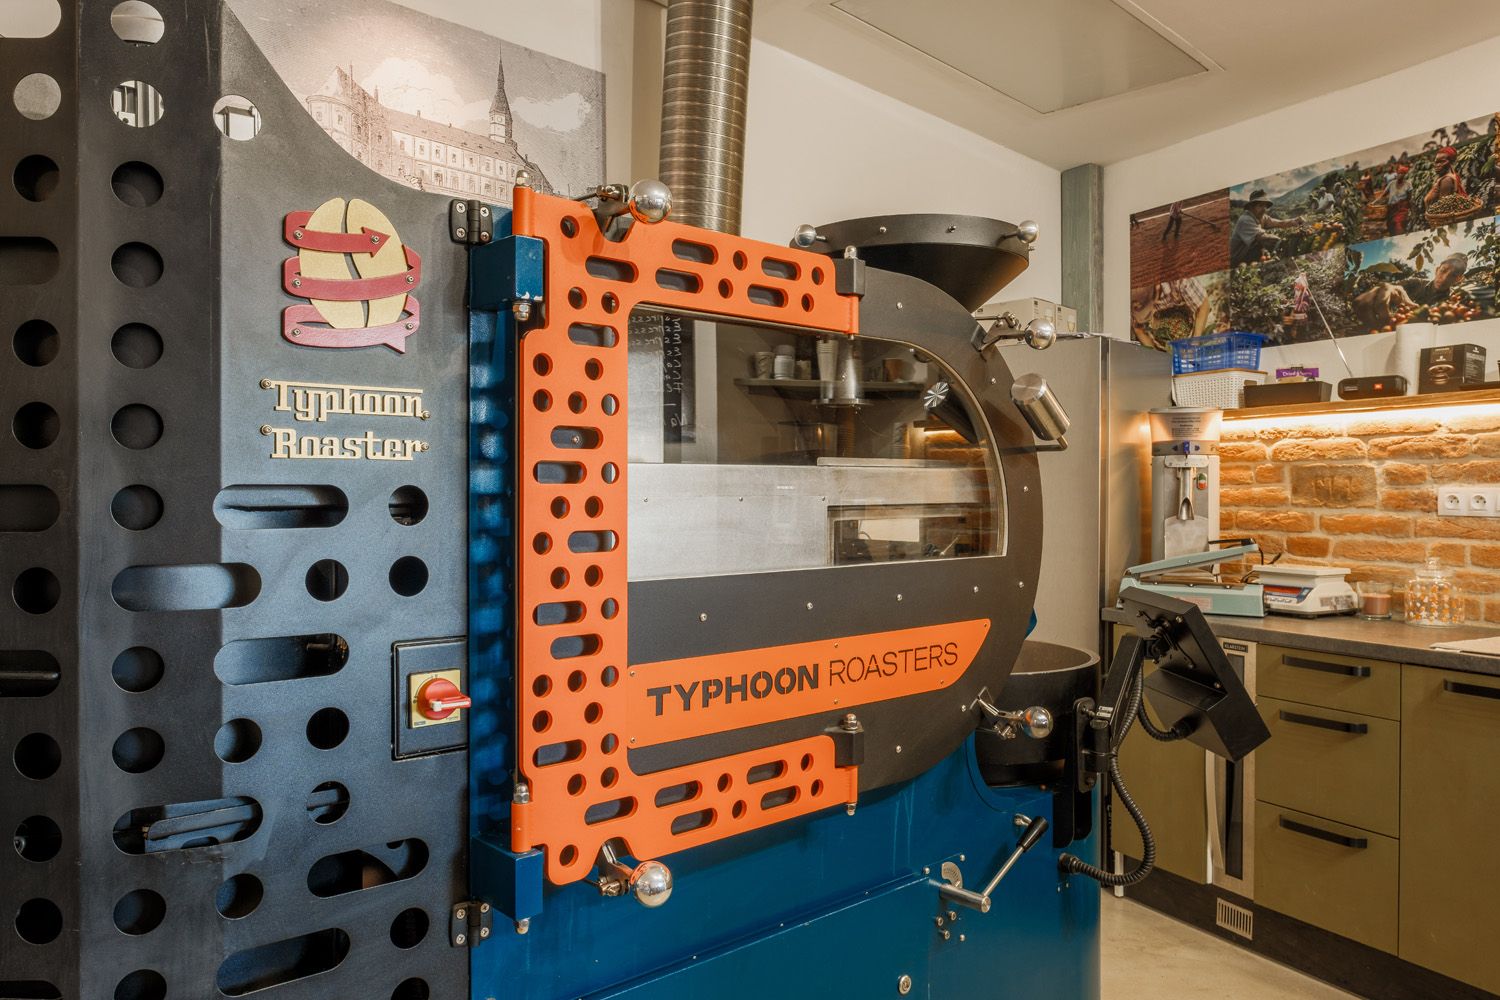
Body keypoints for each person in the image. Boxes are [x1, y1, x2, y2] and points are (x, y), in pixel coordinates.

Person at [1230, 190, 1304, 266]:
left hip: (1250, 252)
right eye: (1260, 206)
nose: (1264, 209)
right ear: (1251, 207)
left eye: (1265, 206)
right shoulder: (1245, 220)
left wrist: (1294, 221)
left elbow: (1280, 223)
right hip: (1237, 260)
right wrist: (1283, 243)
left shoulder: (1261, 217)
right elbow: (1263, 237)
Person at [1386, 164, 1413, 235]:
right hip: (1391, 208)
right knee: (1390, 224)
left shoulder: (1408, 184)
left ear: (1404, 175)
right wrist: (1374, 202)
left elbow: (1410, 198)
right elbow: (1383, 194)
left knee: (1398, 224)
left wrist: (1411, 209)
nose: (1399, 175)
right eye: (1398, 173)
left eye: (1401, 173)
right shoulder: (1391, 183)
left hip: (1402, 208)